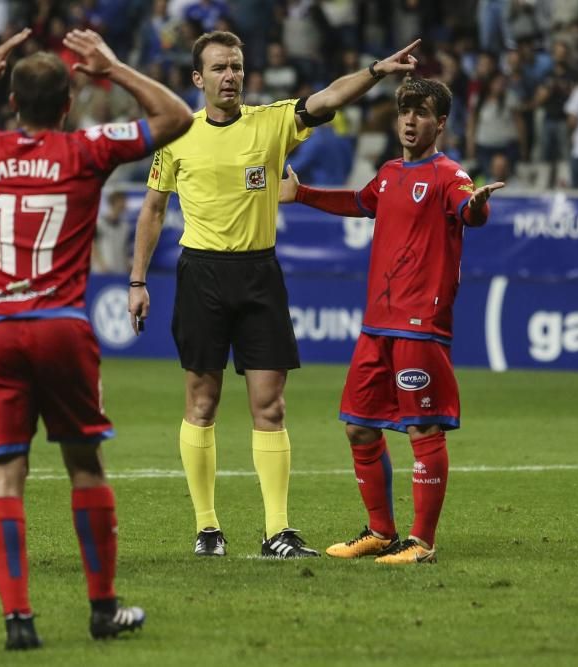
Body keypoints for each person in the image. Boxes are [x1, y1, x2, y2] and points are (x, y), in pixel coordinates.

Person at [0, 29, 192, 649]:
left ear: (12, 102)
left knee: (4, 476)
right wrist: (113, 67)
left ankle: (18, 621)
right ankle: (102, 609)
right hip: (61, 328)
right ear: (67, 105)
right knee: (84, 466)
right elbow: (175, 116)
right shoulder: (85, 149)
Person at [127, 30, 420, 559]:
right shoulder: (177, 135)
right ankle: (207, 528)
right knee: (202, 401)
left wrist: (375, 72)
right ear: (198, 79)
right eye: (219, 68)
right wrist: (137, 280)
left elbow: (326, 98)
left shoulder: (272, 122)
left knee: (271, 405)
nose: (230, 76)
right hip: (201, 275)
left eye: (236, 66)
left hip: (259, 273)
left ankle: (278, 532)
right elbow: (152, 210)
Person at [279, 76, 504, 564]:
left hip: (418, 325)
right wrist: (301, 194)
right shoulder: (388, 173)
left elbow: (468, 209)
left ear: (440, 122)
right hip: (376, 325)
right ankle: (380, 532)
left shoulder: (449, 174)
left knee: (423, 429)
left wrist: (478, 207)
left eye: (421, 112)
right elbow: (359, 203)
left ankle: (421, 542)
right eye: (405, 110)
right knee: (359, 426)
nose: (409, 120)